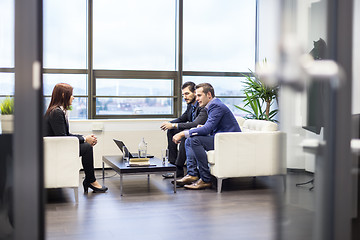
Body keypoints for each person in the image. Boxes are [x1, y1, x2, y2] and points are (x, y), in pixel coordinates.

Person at [173, 83, 241, 190]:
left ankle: (205, 179)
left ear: (209, 94)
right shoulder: (211, 106)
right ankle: (192, 174)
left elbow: (207, 129)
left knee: (194, 140)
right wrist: (201, 127)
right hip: (221, 139)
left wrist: (182, 133)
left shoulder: (216, 106)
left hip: (229, 142)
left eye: (199, 95)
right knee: (189, 139)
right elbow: (210, 126)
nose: (197, 98)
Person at [44, 83, 108, 193]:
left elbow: (66, 134)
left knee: (87, 145)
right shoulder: (56, 112)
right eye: (71, 95)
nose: (73, 97)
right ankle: (90, 181)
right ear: (64, 95)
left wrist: (85, 137)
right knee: (87, 148)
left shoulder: (57, 110)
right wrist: (85, 139)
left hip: (56, 147)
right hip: (55, 150)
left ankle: (90, 180)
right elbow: (63, 138)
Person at [160, 81, 208, 178]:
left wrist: (174, 125)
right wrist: (170, 123)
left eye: (187, 94)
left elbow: (195, 124)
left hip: (202, 133)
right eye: (183, 95)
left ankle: (179, 168)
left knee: (185, 135)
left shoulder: (202, 106)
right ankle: (172, 164)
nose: (185, 97)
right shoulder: (190, 105)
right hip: (192, 131)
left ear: (195, 93)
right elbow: (183, 118)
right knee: (171, 131)